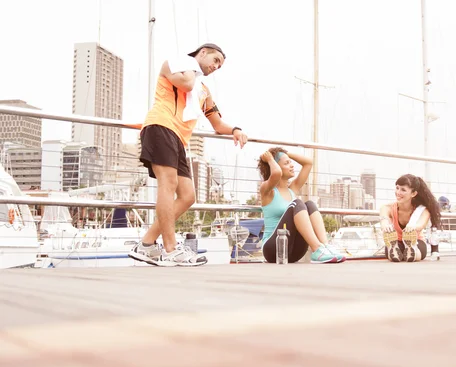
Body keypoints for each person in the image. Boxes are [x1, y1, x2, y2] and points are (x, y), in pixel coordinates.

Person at [129, 43, 248, 267]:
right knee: (169, 183)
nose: (216, 67)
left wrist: (235, 129)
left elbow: (217, 123)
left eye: (220, 65)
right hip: (160, 126)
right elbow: (185, 84)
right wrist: (193, 66)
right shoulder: (174, 64)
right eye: (215, 60)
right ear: (202, 52)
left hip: (178, 139)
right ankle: (171, 249)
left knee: (187, 196)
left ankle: (146, 244)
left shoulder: (203, 90)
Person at [257, 147, 346, 264]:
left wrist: (285, 154)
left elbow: (308, 163)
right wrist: (269, 159)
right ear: (275, 166)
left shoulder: (292, 190)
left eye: (291, 162)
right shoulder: (267, 190)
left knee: (309, 204)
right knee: (297, 203)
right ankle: (317, 249)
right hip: (273, 250)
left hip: (294, 252)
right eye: (287, 163)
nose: (292, 165)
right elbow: (276, 173)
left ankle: (324, 247)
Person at [379, 174, 441, 262]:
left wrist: (413, 228)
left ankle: (412, 248)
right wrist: (386, 226)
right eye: (397, 188)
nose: (398, 192)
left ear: (413, 193)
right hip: (397, 241)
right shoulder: (387, 207)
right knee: (393, 250)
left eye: (403, 190)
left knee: (417, 251)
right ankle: (395, 249)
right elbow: (384, 220)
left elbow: (420, 225)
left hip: (417, 240)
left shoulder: (423, 210)